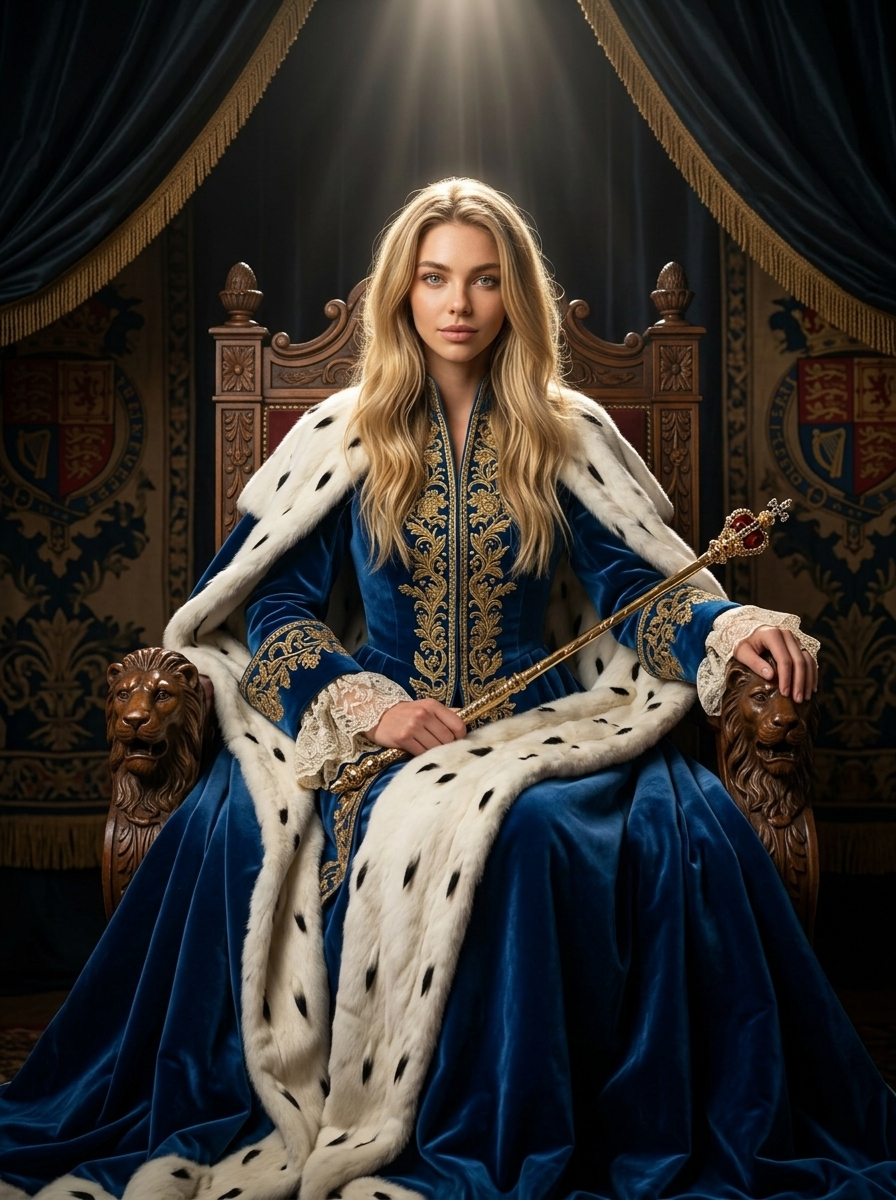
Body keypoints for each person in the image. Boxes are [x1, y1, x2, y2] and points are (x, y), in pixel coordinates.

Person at [0, 178, 893, 1200]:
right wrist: (367, 702)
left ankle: (501, 1125)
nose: (457, 302)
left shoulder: (564, 434)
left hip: (534, 733)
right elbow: (273, 612)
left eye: (481, 279)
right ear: (402, 294)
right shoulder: (341, 436)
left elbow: (635, 596)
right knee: (231, 832)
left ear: (513, 294)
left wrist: (724, 624)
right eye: (433, 279)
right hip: (370, 730)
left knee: (542, 834)